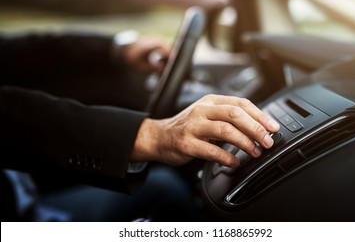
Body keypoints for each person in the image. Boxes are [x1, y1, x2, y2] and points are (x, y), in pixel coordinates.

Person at [0, 31, 279, 221]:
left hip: (21, 190)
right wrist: (150, 135)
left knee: (163, 185)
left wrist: (116, 49)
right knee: (166, 192)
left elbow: (19, 50)